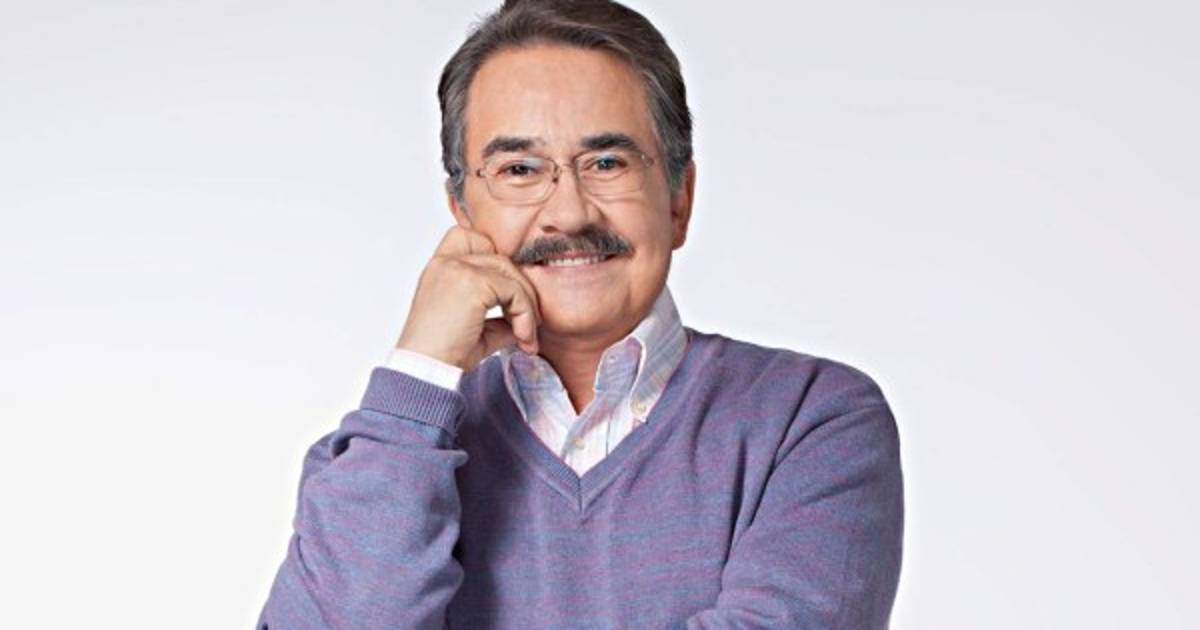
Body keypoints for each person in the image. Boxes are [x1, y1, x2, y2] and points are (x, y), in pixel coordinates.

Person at [257, 1, 904, 628]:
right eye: (519, 169)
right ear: (463, 215)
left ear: (678, 200)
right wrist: (420, 370)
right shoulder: (382, 455)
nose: (568, 213)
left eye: (607, 163)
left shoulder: (812, 420)